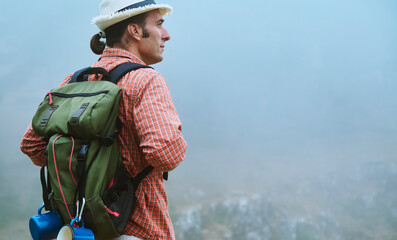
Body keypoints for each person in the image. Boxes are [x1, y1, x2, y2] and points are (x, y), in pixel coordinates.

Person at [20, 0, 187, 239]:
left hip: (82, 230)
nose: (167, 35)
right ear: (135, 30)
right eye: (160, 24)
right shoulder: (146, 80)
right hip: (138, 229)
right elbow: (165, 154)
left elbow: (31, 145)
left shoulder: (74, 81)